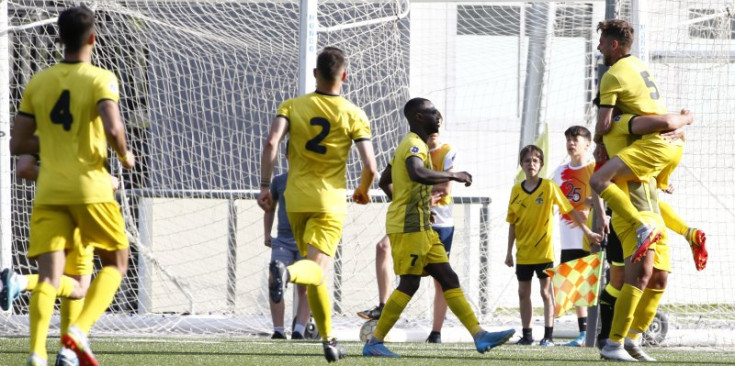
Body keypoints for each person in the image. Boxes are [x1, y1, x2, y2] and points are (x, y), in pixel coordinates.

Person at [9, 6, 135, 366]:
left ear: (58, 39)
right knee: (116, 262)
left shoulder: (38, 82)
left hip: (50, 191)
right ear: (93, 38)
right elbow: (113, 129)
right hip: (90, 189)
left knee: (51, 276)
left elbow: (17, 145)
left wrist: (53, 143)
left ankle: (36, 353)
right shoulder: (101, 78)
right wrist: (124, 155)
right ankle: (77, 334)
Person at [362, 97, 515, 358]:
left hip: (422, 227)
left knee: (448, 278)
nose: (438, 116)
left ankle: (479, 335)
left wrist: (405, 200)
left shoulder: (413, 144)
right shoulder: (413, 145)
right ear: (419, 118)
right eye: (433, 112)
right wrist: (453, 174)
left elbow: (385, 180)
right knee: (409, 284)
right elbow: (417, 173)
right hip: (409, 228)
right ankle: (374, 342)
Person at [258, 46, 378, 362]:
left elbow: (271, 143)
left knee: (315, 274)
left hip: (295, 201)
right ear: (345, 76)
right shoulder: (354, 113)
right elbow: (371, 166)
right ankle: (284, 274)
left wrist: (264, 187)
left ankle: (329, 340)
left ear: (315, 74)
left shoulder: (292, 105)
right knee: (312, 269)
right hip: (329, 202)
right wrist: (363, 190)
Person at [595, 108, 705, 361]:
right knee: (635, 277)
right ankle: (613, 342)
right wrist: (685, 119)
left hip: (652, 218)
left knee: (659, 280)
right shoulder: (619, 125)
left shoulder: (647, 148)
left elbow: (656, 202)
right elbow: (668, 121)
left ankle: (633, 338)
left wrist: (686, 231)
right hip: (632, 219)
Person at [1, 155, 121, 365]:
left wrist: (55, 178)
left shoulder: (43, 131)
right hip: (81, 210)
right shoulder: (85, 133)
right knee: (80, 287)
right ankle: (21, 282)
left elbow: (24, 167)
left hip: (49, 208)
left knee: (64, 281)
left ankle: (64, 354)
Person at [356, 117, 457, 344]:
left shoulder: (446, 151)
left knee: (441, 279)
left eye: (437, 123)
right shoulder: (410, 148)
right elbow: (388, 181)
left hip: (439, 222)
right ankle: (383, 305)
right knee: (384, 249)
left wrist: (422, 194)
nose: (434, 129)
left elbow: (446, 188)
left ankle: (436, 332)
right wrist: (410, 200)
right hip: (411, 220)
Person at [506, 145, 602, 347]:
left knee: (546, 293)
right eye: (527, 160)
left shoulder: (549, 187)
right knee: (523, 293)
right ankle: (527, 335)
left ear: (541, 164)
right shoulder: (516, 190)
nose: (531, 164)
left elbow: (570, 210)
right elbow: (512, 223)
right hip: (523, 253)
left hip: (544, 252)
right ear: (521, 164)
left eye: (535, 160)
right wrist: (508, 252)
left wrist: (588, 232)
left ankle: (548, 336)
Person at [550, 126, 596, 347]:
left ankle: (603, 330)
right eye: (568, 139)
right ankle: (583, 333)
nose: (571, 143)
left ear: (587, 143)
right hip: (569, 236)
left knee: (596, 282)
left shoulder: (596, 168)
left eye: (575, 139)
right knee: (575, 284)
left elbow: (606, 194)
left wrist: (589, 204)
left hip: (594, 234)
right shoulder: (559, 172)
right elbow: (549, 198)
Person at [264, 172, 311, 340]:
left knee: (306, 285)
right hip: (283, 240)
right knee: (274, 278)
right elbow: (269, 208)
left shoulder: (315, 177)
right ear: (288, 156)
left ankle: (299, 330)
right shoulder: (279, 181)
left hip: (307, 240)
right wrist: (267, 233)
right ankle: (279, 330)